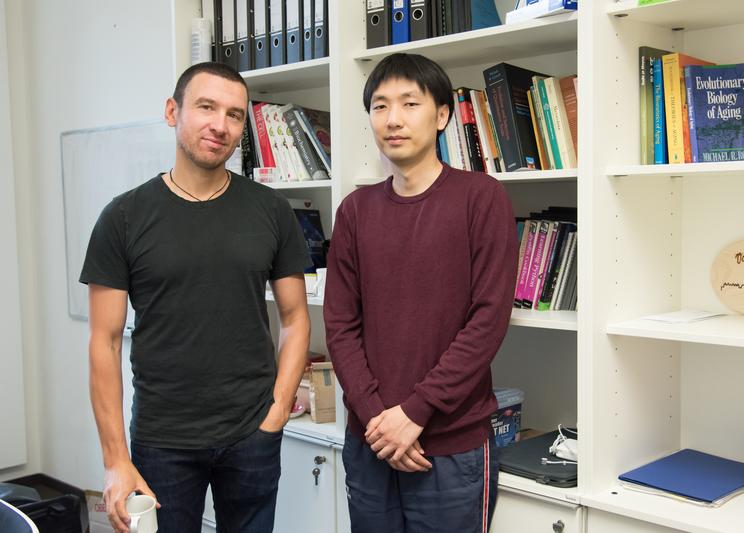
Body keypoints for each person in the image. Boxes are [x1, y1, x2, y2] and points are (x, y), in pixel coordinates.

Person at [81, 62, 311, 533]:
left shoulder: (271, 211)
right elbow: (102, 344)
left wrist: (278, 408)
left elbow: (294, 318)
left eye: (234, 115)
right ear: (173, 111)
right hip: (163, 440)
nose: (219, 125)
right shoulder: (123, 217)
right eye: (206, 107)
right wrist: (114, 461)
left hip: (253, 434)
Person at [324, 53, 518, 533]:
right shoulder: (354, 210)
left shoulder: (481, 197)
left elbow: (489, 319)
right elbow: (340, 325)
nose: (393, 119)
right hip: (370, 442)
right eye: (380, 106)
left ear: (443, 115)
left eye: (410, 103)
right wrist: (378, 420)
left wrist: (415, 412)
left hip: (450, 446)